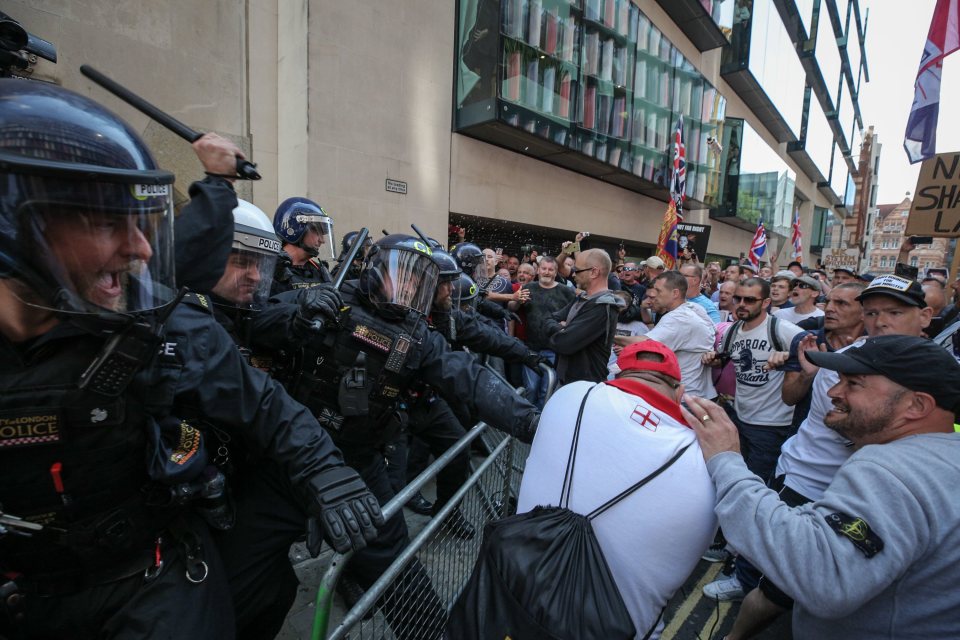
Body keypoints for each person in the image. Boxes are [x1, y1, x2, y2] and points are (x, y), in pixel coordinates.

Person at [0, 80, 383, 640]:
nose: (144, 250)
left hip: (153, 579)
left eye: (139, 222)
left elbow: (264, 406)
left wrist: (325, 471)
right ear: (17, 228)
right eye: (106, 223)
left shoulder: (160, 326)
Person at [273, 233, 540, 638]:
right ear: (375, 270)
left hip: (358, 457)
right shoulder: (329, 300)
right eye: (401, 275)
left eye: (419, 281)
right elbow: (251, 323)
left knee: (393, 559)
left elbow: (467, 377)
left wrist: (534, 422)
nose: (408, 287)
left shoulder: (420, 337)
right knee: (260, 584)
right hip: (285, 454)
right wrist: (295, 315)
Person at [682, 335, 960, 640]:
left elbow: (823, 577)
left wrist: (727, 460)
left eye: (853, 384)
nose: (833, 392)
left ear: (916, 405)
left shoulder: (891, 469)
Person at [716, 276, 930, 635]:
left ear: (925, 316)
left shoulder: (936, 369)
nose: (880, 321)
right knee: (777, 585)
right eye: (873, 312)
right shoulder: (842, 361)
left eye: (894, 312)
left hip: (864, 495)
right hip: (808, 481)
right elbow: (844, 426)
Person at [517, 340, 717, 639]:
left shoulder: (571, 395)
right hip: (614, 628)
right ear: (679, 392)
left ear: (615, 378)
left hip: (518, 596)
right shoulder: (705, 463)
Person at [617, 271, 716, 399]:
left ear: (675, 293)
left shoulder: (679, 318)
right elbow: (714, 331)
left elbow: (645, 344)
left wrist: (609, 336)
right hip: (696, 393)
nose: (654, 295)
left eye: (658, 291)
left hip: (688, 397)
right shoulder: (693, 308)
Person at [543, 249, 622, 385]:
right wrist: (561, 328)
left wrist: (564, 329)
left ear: (594, 272)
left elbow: (564, 343)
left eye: (577, 270)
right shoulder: (582, 298)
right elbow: (547, 320)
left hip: (584, 385)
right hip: (566, 379)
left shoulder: (603, 307)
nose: (573, 274)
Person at [511, 256, 576, 406]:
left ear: (555, 272)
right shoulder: (528, 288)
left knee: (547, 390)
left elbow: (576, 313)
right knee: (531, 388)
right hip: (531, 348)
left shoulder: (566, 291)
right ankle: (527, 424)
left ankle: (540, 423)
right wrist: (516, 301)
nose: (547, 272)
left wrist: (567, 322)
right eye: (544, 268)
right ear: (538, 270)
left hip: (555, 350)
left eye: (550, 269)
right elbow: (511, 309)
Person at [271, 197, 337, 293]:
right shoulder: (271, 270)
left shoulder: (319, 271)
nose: (322, 240)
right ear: (294, 228)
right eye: (317, 232)